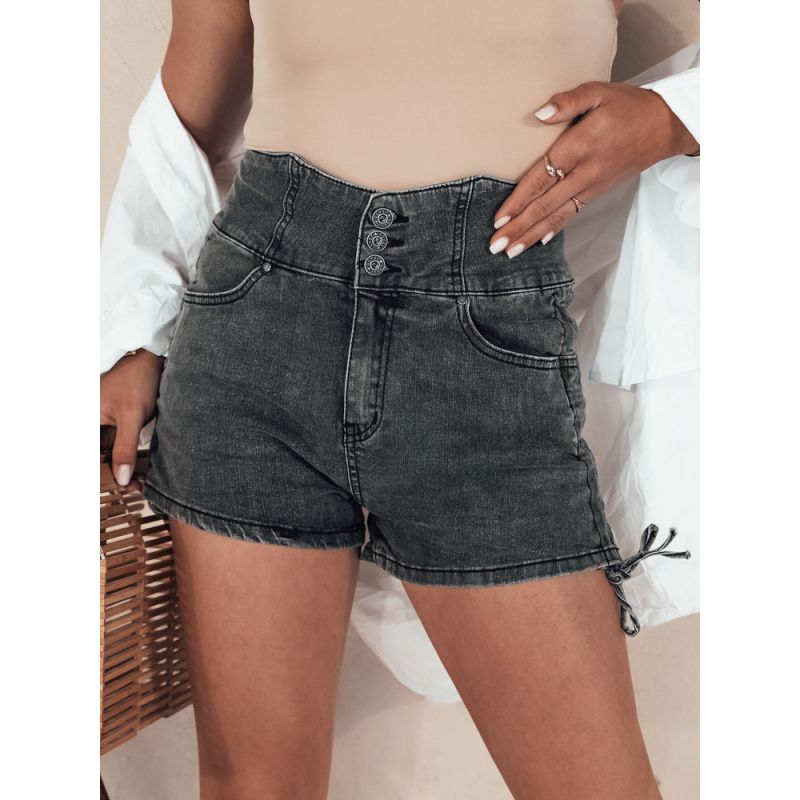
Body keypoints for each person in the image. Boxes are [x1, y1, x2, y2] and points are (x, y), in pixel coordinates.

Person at [100, 1, 699, 797]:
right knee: (253, 785)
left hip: (489, 356)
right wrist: (133, 334)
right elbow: (185, 120)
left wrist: (675, 120)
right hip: (256, 336)